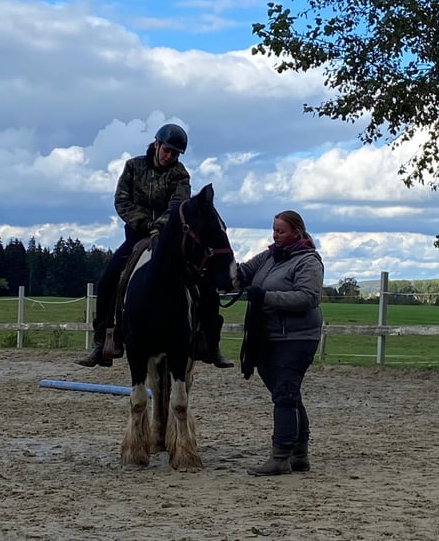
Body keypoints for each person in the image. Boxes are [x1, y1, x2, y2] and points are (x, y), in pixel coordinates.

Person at [74, 123, 233, 368]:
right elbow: (122, 201)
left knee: (205, 283)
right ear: (156, 144)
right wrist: (147, 224)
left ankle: (210, 341)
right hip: (136, 236)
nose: (169, 156)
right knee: (107, 280)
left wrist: (161, 226)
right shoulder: (132, 167)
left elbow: (178, 205)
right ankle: (104, 339)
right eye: (167, 150)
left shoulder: (180, 174)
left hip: (169, 238)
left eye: (175, 153)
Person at [236, 210, 324, 476]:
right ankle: (299, 455)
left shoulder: (308, 262)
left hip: (297, 338)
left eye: (281, 231)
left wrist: (264, 297)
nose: (275, 235)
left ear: (296, 232)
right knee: (288, 395)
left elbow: (307, 298)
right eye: (274, 230)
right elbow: (243, 272)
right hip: (268, 337)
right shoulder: (269, 256)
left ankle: (280, 456)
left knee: (285, 394)